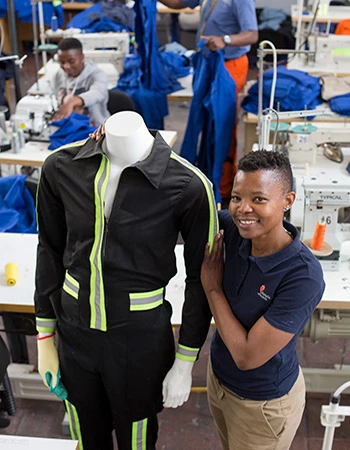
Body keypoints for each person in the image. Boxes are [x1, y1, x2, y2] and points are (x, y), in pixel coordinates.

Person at [35, 110, 218, 450]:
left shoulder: (188, 185)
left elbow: (202, 281)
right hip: (74, 338)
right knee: (87, 439)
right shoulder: (61, 168)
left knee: (137, 442)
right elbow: (49, 249)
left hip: (140, 346)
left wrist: (185, 360)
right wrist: (45, 336)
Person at [200, 150, 325, 450]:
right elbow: (183, 202)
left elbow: (246, 356)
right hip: (219, 380)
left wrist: (213, 289)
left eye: (258, 199)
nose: (243, 209)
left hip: (262, 405)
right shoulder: (233, 230)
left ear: (288, 201)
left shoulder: (303, 275)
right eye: (236, 198)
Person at [158, 0, 258, 202]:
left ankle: (223, 191)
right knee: (202, 124)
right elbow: (178, 3)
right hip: (209, 62)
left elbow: (252, 34)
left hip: (229, 66)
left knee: (223, 129)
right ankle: (203, 180)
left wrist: (226, 39)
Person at [49, 37, 110, 126]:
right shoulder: (58, 76)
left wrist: (72, 102)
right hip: (69, 126)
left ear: (82, 57)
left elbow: (98, 92)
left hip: (95, 129)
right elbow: (51, 96)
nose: (66, 66)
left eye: (71, 61)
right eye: (62, 62)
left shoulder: (97, 75)